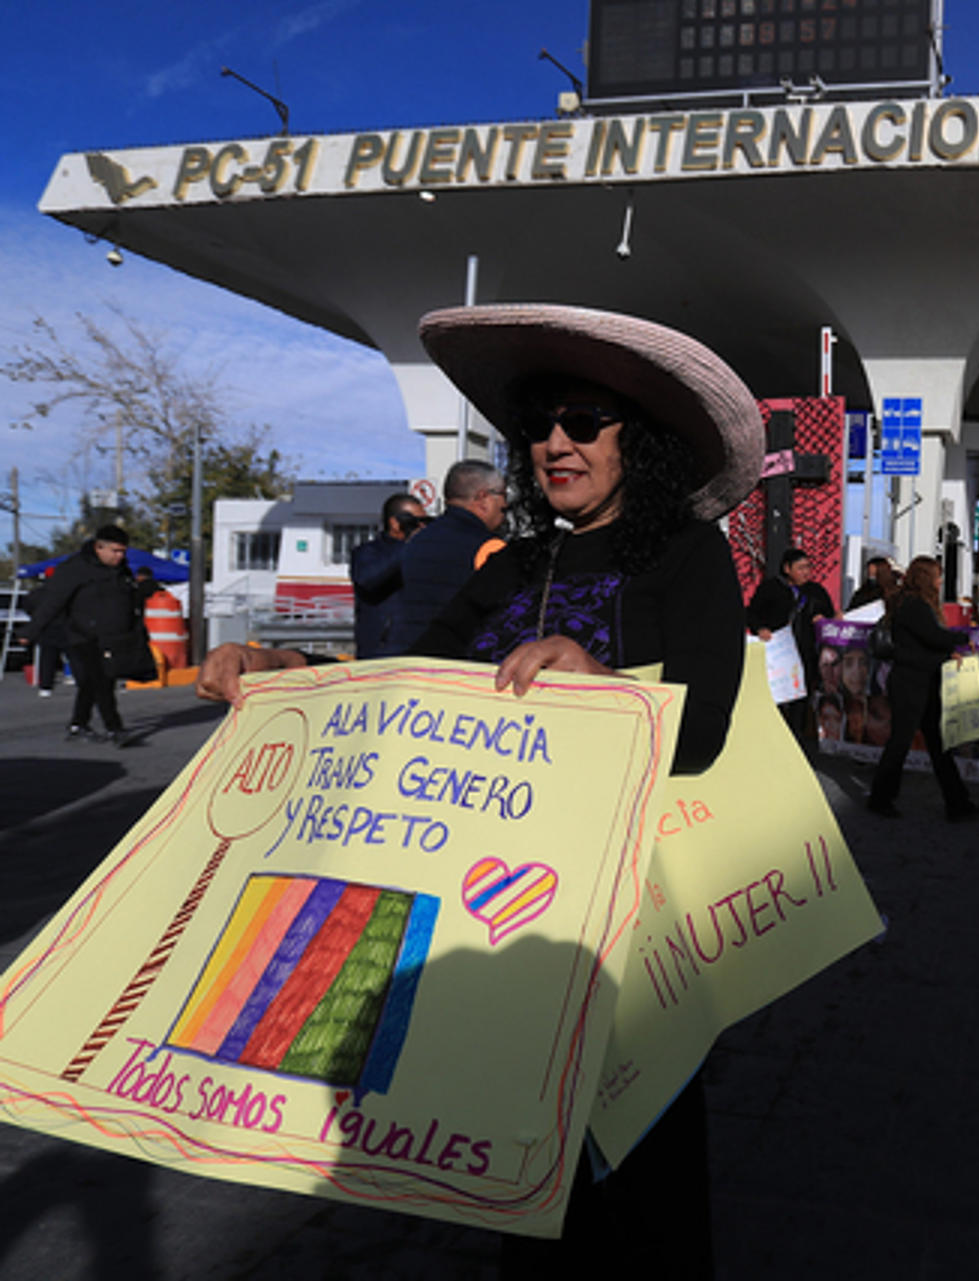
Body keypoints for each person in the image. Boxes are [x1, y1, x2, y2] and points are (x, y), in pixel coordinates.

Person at [197, 303, 763, 1272]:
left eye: (584, 421)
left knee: (646, 1197)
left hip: (625, 930)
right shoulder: (515, 566)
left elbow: (705, 728)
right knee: (528, 1195)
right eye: (539, 423)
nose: (554, 444)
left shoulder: (687, 554)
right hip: (500, 921)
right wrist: (279, 662)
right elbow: (409, 677)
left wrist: (599, 686)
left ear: (641, 438)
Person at [866, 555, 979, 821]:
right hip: (911, 683)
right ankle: (881, 798)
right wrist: (963, 638)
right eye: (937, 576)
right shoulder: (914, 605)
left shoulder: (910, 603)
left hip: (920, 680)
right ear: (926, 579)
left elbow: (921, 646)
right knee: (902, 742)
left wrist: (945, 654)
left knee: (937, 743)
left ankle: (958, 802)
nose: (940, 581)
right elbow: (933, 638)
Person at [28, 525, 139, 745]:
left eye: (123, 551)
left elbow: (127, 599)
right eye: (115, 551)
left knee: (91, 682)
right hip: (81, 634)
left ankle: (78, 724)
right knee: (102, 679)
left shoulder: (120, 571)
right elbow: (52, 602)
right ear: (99, 547)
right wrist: (31, 630)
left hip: (111, 636)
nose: (120, 556)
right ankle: (115, 728)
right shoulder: (75, 568)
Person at [389, 460, 508, 654]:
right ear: (483, 498)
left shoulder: (416, 541)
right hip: (457, 664)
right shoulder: (490, 547)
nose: (505, 505)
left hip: (407, 657)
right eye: (502, 496)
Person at [746, 547, 836, 749]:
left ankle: (796, 740)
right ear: (787, 568)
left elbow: (830, 616)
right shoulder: (770, 588)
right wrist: (760, 628)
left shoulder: (816, 591)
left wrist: (824, 619)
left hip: (804, 654)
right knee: (774, 698)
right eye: (800, 567)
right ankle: (770, 739)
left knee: (800, 699)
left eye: (808, 567)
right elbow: (752, 614)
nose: (806, 572)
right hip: (777, 654)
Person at [350, 491, 428, 658]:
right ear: (395, 523)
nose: (423, 527)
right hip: (381, 650)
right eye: (416, 522)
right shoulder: (368, 552)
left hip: (417, 647)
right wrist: (408, 546)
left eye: (425, 521)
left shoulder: (423, 552)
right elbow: (367, 579)